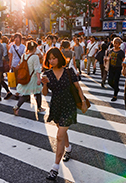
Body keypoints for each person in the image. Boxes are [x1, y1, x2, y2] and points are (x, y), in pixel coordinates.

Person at [42, 48, 86, 181]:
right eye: (49, 58)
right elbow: (44, 93)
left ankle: (55, 167)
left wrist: (83, 101)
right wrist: (44, 84)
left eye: (54, 57)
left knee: (60, 135)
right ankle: (68, 148)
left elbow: (78, 87)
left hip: (69, 105)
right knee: (61, 130)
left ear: (59, 58)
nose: (51, 60)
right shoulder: (47, 74)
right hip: (56, 105)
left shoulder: (68, 71)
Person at [13, 41, 44, 115]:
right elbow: (37, 69)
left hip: (25, 77)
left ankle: (17, 106)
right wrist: (39, 79)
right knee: (38, 92)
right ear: (34, 48)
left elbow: (19, 65)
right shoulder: (35, 57)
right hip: (33, 78)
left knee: (25, 94)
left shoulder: (24, 55)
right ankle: (39, 107)